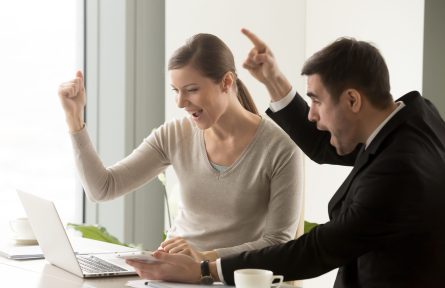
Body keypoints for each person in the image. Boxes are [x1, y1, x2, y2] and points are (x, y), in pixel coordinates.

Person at [125, 29, 445, 287]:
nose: (313, 117)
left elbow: (316, 250)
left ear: (352, 100)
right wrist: (272, 79)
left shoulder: (398, 171)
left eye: (316, 101)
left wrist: (203, 269)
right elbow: (324, 146)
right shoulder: (416, 118)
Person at [58, 33, 303, 263]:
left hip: (231, 279)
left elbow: (278, 243)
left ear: (226, 82)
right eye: (175, 91)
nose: (180, 102)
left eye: (192, 90)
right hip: (169, 274)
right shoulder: (174, 134)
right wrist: (74, 119)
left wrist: (204, 258)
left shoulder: (280, 148)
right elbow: (102, 188)